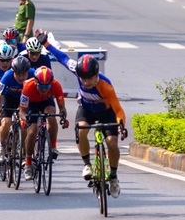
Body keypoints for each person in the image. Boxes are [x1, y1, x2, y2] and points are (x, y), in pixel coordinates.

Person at [40, 32, 127, 198]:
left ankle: (114, 177)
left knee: (112, 143)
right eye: (83, 79)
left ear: (96, 74)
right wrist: (46, 44)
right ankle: (87, 164)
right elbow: (62, 58)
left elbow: (118, 110)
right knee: (81, 131)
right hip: (86, 108)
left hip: (105, 112)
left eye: (90, 79)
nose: (86, 82)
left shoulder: (106, 86)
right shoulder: (77, 69)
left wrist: (121, 125)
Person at [18, 66, 68, 181]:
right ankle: (28, 163)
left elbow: (62, 109)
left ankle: (53, 146)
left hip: (46, 102)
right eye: (41, 86)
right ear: (36, 82)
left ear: (51, 83)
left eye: (47, 86)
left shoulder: (56, 85)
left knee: (51, 116)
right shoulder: (28, 87)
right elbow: (22, 111)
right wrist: (25, 119)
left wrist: (63, 118)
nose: (44, 89)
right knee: (32, 131)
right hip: (31, 105)